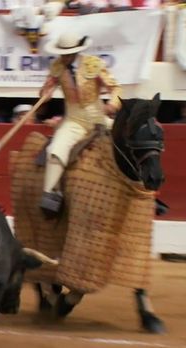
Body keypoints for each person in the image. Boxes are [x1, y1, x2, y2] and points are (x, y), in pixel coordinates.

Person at [38, 31, 121, 217]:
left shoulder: (93, 64)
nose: (64, 57)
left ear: (76, 52)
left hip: (99, 118)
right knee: (55, 151)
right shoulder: (57, 68)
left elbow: (115, 88)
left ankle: (141, 186)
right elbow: (46, 90)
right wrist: (45, 93)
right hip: (74, 121)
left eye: (68, 54)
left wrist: (113, 104)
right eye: (62, 54)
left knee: (129, 141)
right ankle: (50, 196)